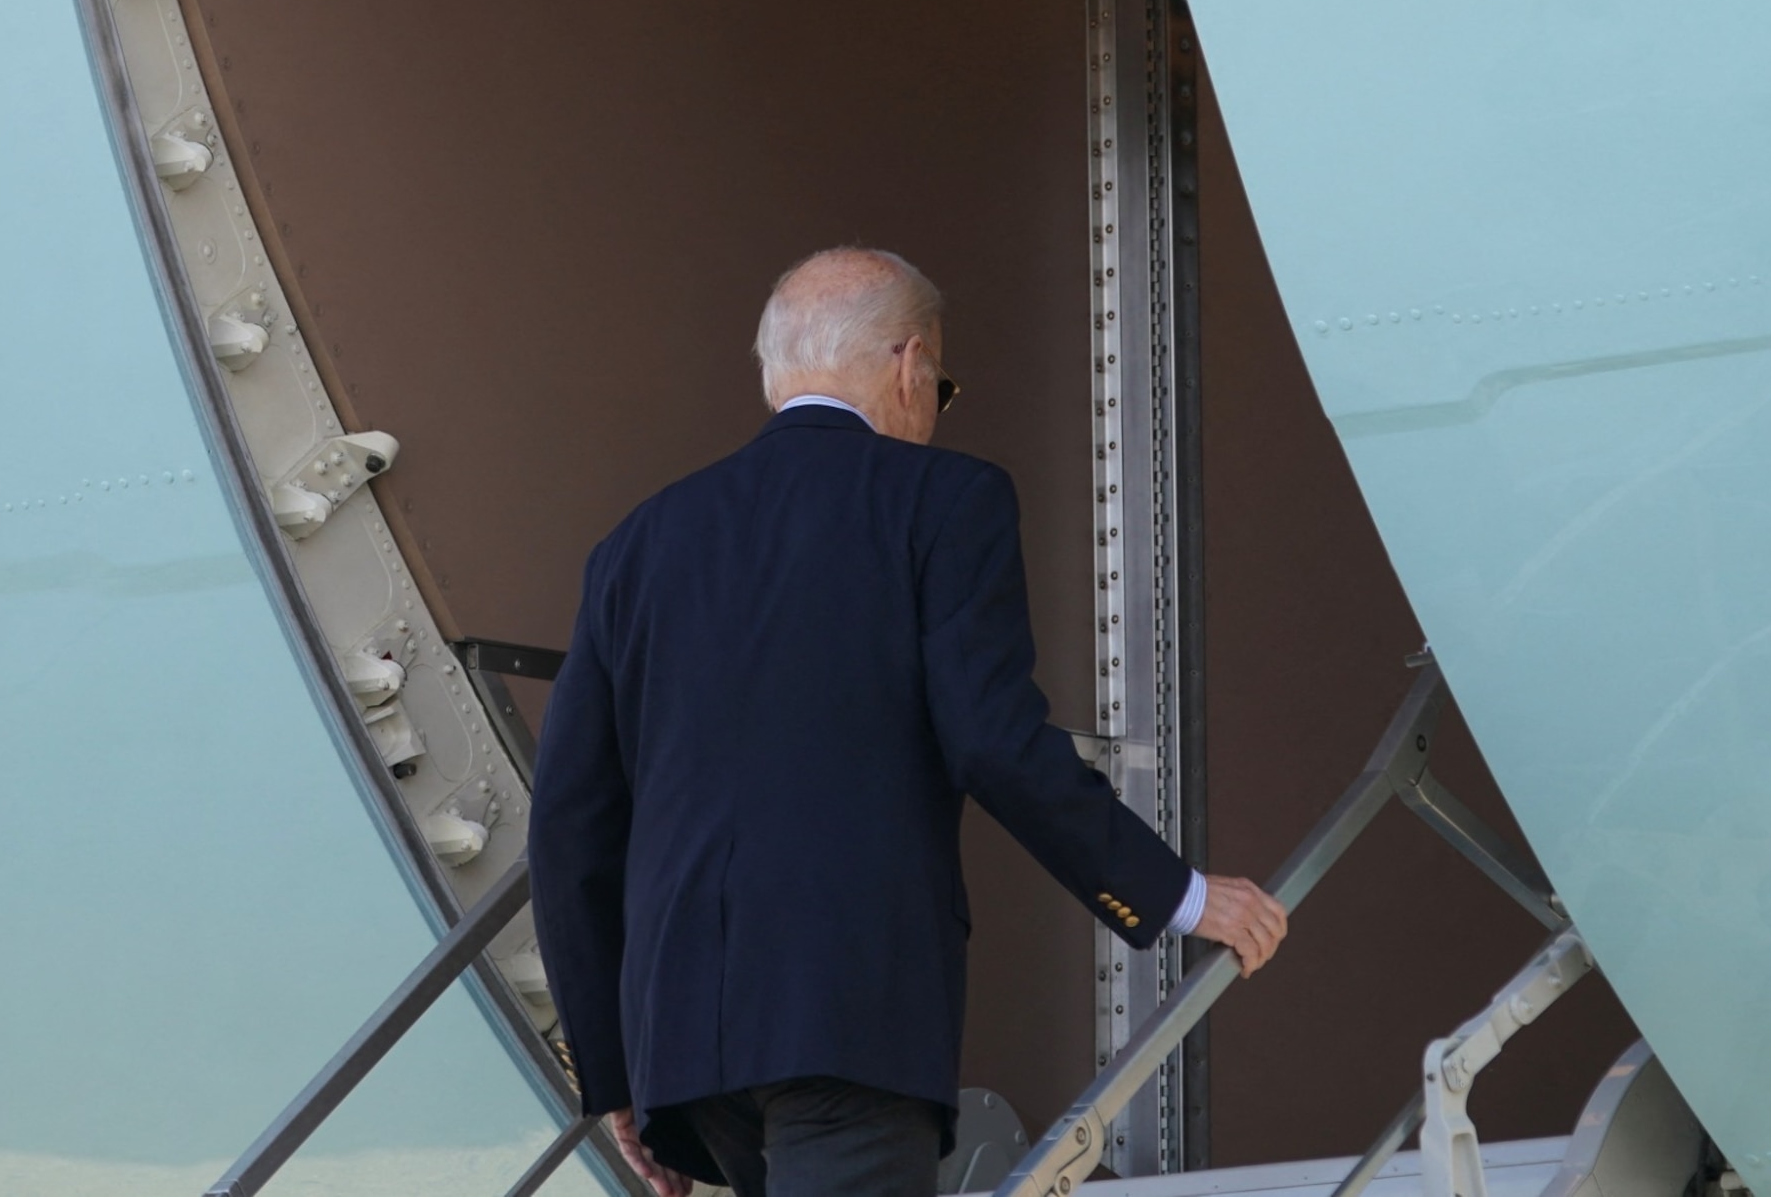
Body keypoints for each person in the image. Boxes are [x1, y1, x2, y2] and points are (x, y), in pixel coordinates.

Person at [529, 247, 1289, 1197]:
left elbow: (568, 827)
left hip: (682, 1042)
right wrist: (1175, 894)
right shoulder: (944, 499)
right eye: (942, 383)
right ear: (909, 364)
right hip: (847, 1014)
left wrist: (616, 1073)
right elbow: (993, 739)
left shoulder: (637, 543)